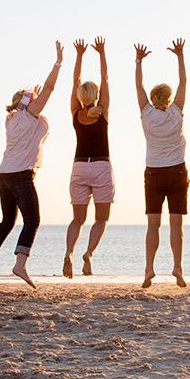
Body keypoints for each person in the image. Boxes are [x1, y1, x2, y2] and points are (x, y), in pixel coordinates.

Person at [0, 41, 64, 289]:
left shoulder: (11, 118)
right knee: (32, 220)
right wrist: (58, 62)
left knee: (7, 221)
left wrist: (28, 97)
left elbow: (30, 102)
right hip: (20, 175)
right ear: (27, 103)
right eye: (33, 100)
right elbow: (49, 88)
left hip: (3, 174)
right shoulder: (27, 115)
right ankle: (20, 265)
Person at [135, 38, 189, 289]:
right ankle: (177, 268)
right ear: (168, 98)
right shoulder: (176, 112)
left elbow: (138, 86)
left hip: (154, 173)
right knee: (175, 225)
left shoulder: (146, 114)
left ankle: (149, 269)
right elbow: (184, 82)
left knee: (153, 224)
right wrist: (179, 56)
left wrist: (138, 61)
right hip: (177, 172)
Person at [64, 36, 113, 278]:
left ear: (81, 96)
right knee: (101, 219)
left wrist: (79, 55)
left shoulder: (76, 114)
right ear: (95, 95)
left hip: (79, 167)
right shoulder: (102, 113)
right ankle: (88, 254)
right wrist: (101, 53)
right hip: (102, 166)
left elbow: (74, 81)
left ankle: (69, 253)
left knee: (77, 220)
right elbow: (105, 79)